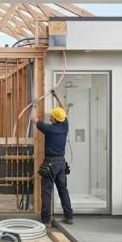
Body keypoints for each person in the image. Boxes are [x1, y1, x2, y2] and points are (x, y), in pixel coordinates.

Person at [31, 91, 73, 225]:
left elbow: (33, 119)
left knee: (47, 192)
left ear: (55, 118)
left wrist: (34, 105)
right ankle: (69, 217)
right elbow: (63, 111)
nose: (50, 118)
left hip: (50, 163)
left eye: (52, 117)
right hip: (61, 163)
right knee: (63, 191)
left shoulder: (49, 129)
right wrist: (57, 96)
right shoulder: (65, 125)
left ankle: (46, 221)